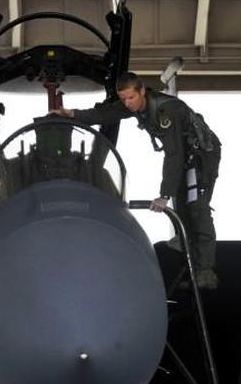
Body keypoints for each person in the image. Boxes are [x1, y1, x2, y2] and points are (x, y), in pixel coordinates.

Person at [51, 73, 222, 288]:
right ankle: (190, 268)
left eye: (131, 97)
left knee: (197, 208)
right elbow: (106, 114)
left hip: (202, 156)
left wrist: (164, 194)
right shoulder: (134, 104)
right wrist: (72, 114)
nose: (127, 104)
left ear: (142, 91)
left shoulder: (166, 111)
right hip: (185, 158)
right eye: (124, 99)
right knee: (183, 212)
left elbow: (174, 154)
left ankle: (206, 272)